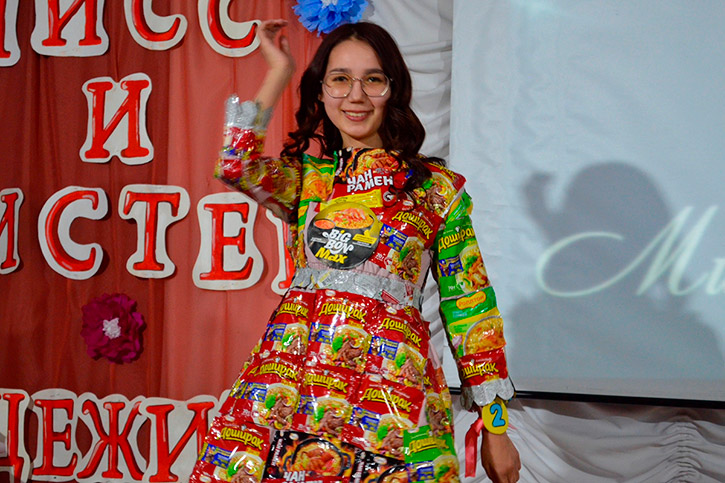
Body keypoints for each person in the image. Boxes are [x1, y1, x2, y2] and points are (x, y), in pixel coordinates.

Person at [190, 19, 520, 483]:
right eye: (340, 79)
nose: (356, 95)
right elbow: (236, 164)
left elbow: (471, 309)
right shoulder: (308, 180)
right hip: (288, 391)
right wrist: (279, 70)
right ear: (321, 91)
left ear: (393, 89)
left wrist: (496, 429)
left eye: (373, 79)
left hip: (392, 405)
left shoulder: (436, 190)